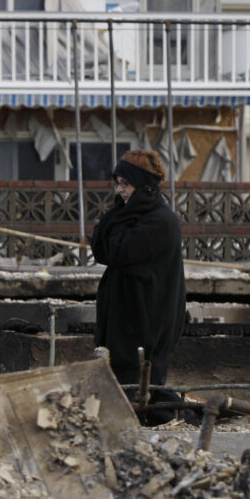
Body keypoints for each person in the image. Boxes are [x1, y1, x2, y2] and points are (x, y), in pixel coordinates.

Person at [90, 149, 186, 391]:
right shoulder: (133, 215)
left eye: (126, 184)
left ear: (143, 187)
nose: (119, 190)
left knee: (141, 388)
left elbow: (118, 252)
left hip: (145, 323)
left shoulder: (159, 221)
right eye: (118, 184)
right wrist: (120, 211)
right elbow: (101, 250)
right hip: (124, 319)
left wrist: (120, 215)